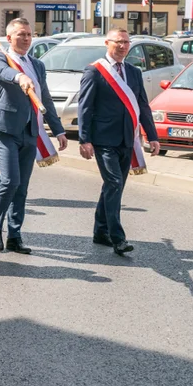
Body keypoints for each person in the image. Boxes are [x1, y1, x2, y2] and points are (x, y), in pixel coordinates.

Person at [0, 18, 67, 255]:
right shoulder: (0, 57)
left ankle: (15, 235)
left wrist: (58, 129)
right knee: (10, 180)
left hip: (30, 132)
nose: (26, 39)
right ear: (9, 38)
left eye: (29, 35)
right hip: (5, 130)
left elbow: (46, 98)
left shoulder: (37, 65)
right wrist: (19, 77)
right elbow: (2, 72)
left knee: (21, 187)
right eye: (21, 34)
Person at [77, 27, 160, 256]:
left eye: (126, 42)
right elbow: (85, 107)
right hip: (103, 140)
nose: (123, 46)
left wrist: (151, 135)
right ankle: (117, 237)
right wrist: (84, 139)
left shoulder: (133, 72)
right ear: (107, 43)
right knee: (113, 184)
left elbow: (142, 105)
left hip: (126, 139)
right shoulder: (95, 71)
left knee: (114, 187)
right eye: (118, 42)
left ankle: (100, 231)